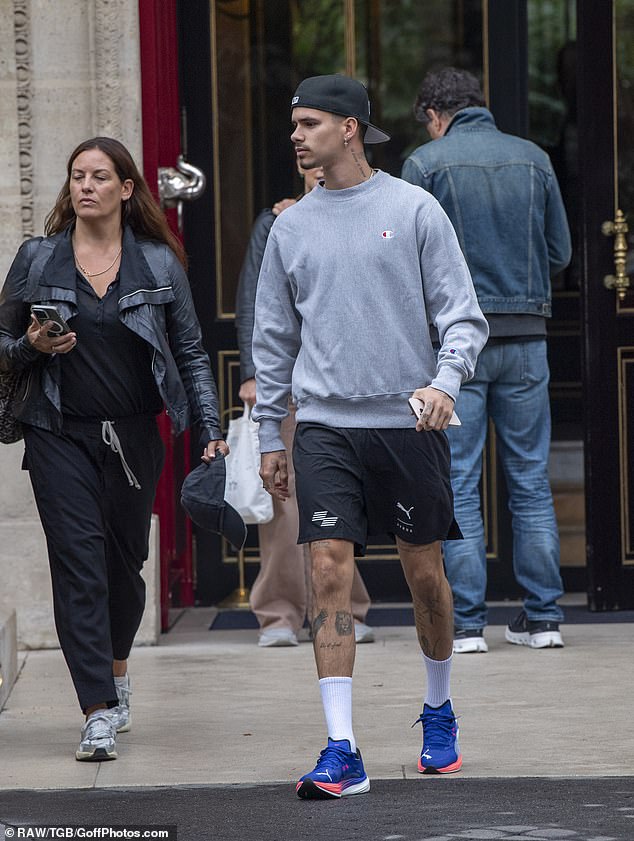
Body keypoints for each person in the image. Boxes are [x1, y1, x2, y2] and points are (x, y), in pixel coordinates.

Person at [252, 74, 488, 798]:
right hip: (325, 425)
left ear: (350, 127)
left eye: (310, 123)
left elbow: (462, 316)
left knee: (425, 579)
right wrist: (269, 433)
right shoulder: (290, 227)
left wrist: (444, 383)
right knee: (328, 570)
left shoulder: (414, 209)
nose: (296, 135)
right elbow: (271, 338)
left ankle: (439, 709)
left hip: (407, 425)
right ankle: (341, 747)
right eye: (294, 124)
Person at [0, 137, 227, 762]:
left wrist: (209, 426)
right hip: (57, 433)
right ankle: (96, 709)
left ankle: (118, 672)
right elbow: (0, 343)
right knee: (78, 564)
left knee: (124, 572)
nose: (86, 186)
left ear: (127, 189)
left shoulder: (156, 265)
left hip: (132, 437)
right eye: (77, 176)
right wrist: (31, 349)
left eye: (100, 176)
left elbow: (189, 352)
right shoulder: (37, 259)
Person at [402, 67, 572, 654]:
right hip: (527, 340)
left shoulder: (427, 164)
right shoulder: (534, 158)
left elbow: (406, 262)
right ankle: (544, 618)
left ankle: (468, 624)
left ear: (433, 114)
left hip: (457, 349)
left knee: (460, 484)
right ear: (480, 103)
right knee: (529, 480)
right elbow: (560, 251)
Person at [235, 161, 374, 648]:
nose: (315, 170)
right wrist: (253, 374)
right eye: (306, 162)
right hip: (290, 380)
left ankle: (345, 608)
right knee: (283, 498)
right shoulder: (275, 224)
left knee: (340, 497)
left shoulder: (369, 214)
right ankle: (278, 614)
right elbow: (255, 298)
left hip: (346, 377)